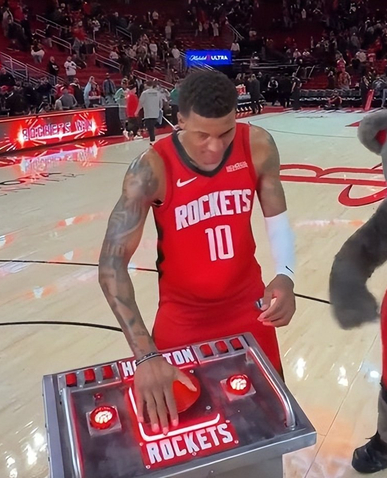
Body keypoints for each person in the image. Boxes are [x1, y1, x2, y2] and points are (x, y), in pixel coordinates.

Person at [98, 69, 296, 437]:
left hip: (249, 310)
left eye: (225, 133)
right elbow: (111, 264)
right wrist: (145, 354)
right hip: (183, 319)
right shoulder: (151, 168)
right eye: (203, 135)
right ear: (180, 120)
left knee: (270, 427)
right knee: (185, 437)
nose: (215, 147)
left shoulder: (257, 144)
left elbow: (277, 217)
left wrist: (286, 274)